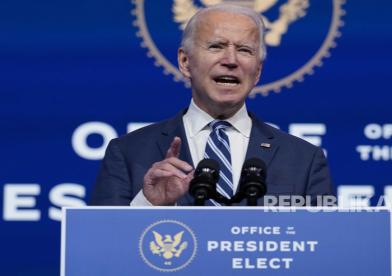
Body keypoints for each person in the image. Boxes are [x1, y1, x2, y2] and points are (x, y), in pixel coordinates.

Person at [90, 4, 334, 206]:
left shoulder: (305, 159)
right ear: (185, 62)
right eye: (216, 46)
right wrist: (148, 205)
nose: (230, 60)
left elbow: (324, 248)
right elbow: (101, 249)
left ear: (257, 72)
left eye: (244, 50)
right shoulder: (127, 153)